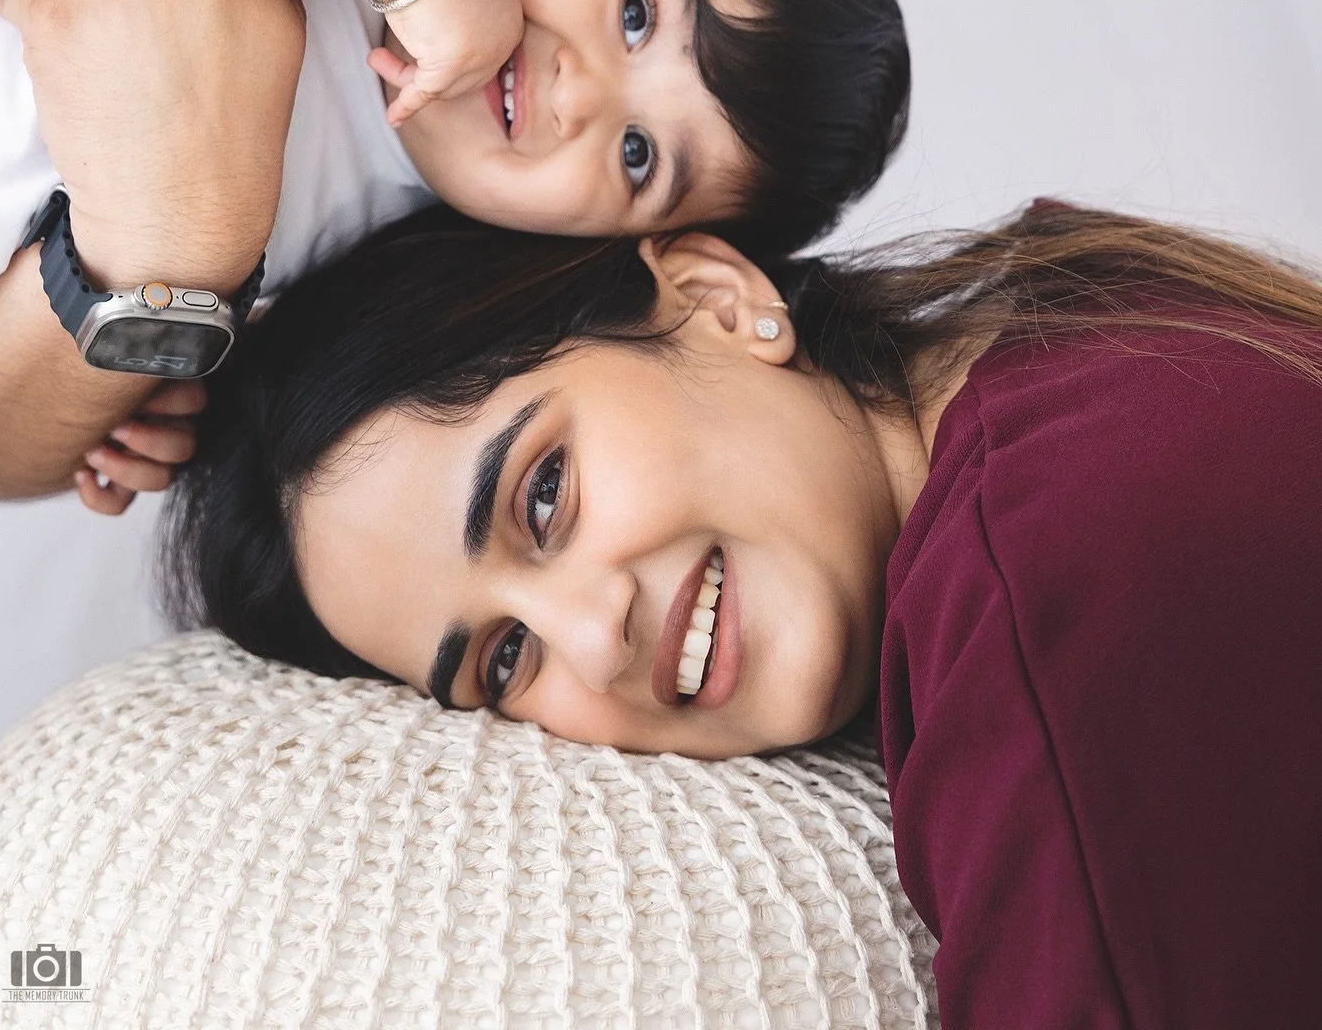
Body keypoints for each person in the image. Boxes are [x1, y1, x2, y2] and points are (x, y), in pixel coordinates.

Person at [165, 201, 1322, 1027]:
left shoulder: (1042, 605)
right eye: (503, 660)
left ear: (718, 301)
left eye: (546, 493)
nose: (591, 635)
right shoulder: (1090, 332)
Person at [0, 0, 907, 371]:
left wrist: (148, 397)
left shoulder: (361, 291)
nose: (581, 96)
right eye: (636, 13)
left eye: (639, 157)